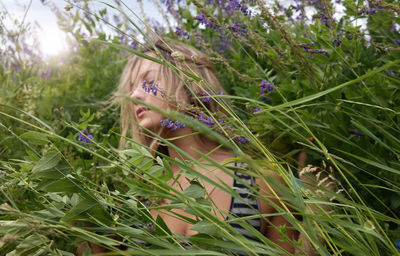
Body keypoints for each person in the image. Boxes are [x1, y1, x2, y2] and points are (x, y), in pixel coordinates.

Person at [79, 37, 330, 255]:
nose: (134, 95)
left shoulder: (258, 181)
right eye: (131, 87)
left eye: (148, 81)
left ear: (190, 84)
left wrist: (318, 215)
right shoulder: (140, 197)